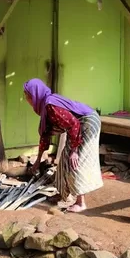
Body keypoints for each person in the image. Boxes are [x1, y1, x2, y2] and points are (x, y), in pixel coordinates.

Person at [23, 78, 102, 213]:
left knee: (76, 161)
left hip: (88, 122)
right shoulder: (45, 107)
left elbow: (74, 124)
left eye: (28, 97)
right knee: (65, 157)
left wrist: (75, 150)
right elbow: (45, 136)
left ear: (35, 95)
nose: (27, 100)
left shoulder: (50, 106)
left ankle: (80, 202)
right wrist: (38, 160)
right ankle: (62, 194)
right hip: (77, 126)